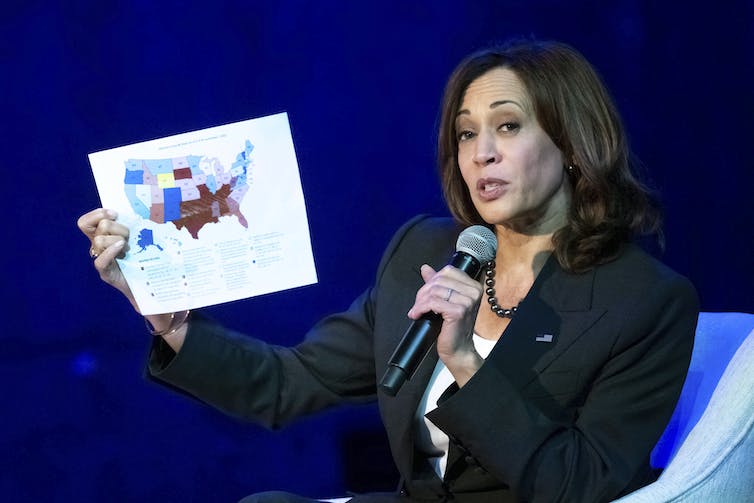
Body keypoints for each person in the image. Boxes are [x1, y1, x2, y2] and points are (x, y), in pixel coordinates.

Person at [77, 39, 699, 502]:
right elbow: (290, 381)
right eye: (465, 134)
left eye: (507, 127)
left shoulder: (644, 300)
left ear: (571, 142)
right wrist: (169, 318)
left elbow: (580, 483)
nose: (480, 153)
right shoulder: (422, 251)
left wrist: (464, 361)